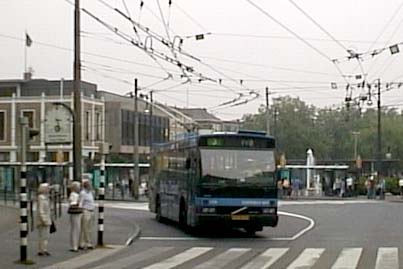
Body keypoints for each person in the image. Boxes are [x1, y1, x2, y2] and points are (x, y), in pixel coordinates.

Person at [79, 180, 96, 250]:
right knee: (84, 228)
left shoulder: (90, 193)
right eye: (90, 185)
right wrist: (81, 211)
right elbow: (80, 202)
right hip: (85, 211)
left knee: (90, 228)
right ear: (87, 186)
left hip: (91, 211)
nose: (91, 186)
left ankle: (89, 242)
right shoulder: (83, 193)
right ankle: (82, 243)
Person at [37, 183, 52, 256]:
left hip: (47, 218)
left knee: (46, 235)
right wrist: (44, 219)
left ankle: (44, 249)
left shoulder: (46, 197)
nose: (49, 189)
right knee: (43, 235)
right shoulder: (41, 198)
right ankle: (42, 250)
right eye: (47, 188)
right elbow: (41, 210)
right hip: (43, 220)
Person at [68, 181, 83, 252]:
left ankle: (74, 245)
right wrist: (79, 202)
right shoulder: (74, 194)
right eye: (78, 186)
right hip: (76, 212)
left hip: (77, 212)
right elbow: (72, 203)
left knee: (75, 228)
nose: (79, 188)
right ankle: (74, 246)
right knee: (76, 229)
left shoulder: (75, 194)